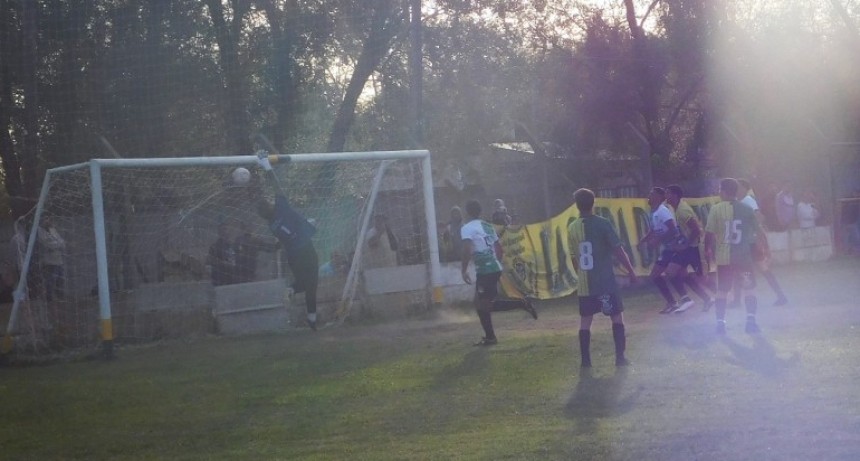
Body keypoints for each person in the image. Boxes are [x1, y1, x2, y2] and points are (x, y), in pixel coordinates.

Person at [568, 188, 637, 367]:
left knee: (585, 321)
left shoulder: (572, 227)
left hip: (585, 284)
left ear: (577, 205)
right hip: (605, 282)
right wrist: (630, 270)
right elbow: (618, 250)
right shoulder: (603, 223)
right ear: (594, 203)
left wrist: (580, 274)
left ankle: (585, 361)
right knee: (616, 316)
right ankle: (620, 358)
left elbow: (574, 258)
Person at [255, 152, 321, 330]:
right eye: (269, 202)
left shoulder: (272, 225)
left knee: (303, 283)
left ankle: (293, 292)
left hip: (293, 256)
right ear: (269, 206)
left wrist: (308, 224)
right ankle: (312, 319)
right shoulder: (281, 208)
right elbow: (276, 185)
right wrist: (266, 165)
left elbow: (289, 232)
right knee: (312, 284)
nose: (271, 201)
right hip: (305, 249)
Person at [461, 199, 536, 346]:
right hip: (493, 268)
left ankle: (521, 304)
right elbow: (499, 248)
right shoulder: (487, 226)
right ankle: (490, 337)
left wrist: (463, 270)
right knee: (480, 303)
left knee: (485, 305)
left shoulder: (467, 228)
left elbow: (466, 249)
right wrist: (496, 264)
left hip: (486, 270)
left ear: (467, 213)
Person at [705, 178, 760, 335]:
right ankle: (751, 321)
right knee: (749, 289)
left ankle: (720, 324)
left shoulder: (716, 209)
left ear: (723, 191)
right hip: (743, 257)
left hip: (724, 258)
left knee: (722, 291)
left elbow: (709, 234)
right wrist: (763, 248)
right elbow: (757, 230)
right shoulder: (746, 208)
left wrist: (707, 251)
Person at [638, 187, 693, 314]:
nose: (648, 196)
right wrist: (644, 240)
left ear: (658, 197)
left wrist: (657, 240)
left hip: (674, 247)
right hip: (667, 248)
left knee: (669, 273)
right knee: (657, 275)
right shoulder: (654, 211)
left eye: (651, 194)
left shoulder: (663, 211)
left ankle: (685, 299)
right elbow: (654, 230)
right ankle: (673, 303)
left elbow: (673, 229)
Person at [737, 179, 788, 306]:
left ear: (744, 188)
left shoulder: (748, 200)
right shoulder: (740, 201)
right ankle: (780, 295)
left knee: (756, 268)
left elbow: (758, 216)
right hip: (747, 240)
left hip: (750, 241)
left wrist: (755, 233)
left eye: (738, 186)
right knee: (746, 269)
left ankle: (780, 295)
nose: (736, 189)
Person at [664, 185, 714, 312]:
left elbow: (696, 230)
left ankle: (722, 295)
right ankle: (687, 299)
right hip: (687, 248)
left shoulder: (682, 210)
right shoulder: (675, 208)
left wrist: (685, 244)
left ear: (675, 196)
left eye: (668, 193)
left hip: (695, 247)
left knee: (703, 278)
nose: (666, 196)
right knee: (672, 272)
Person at [37, 215, 66, 302]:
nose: (48, 221)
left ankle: (60, 298)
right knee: (50, 281)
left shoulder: (53, 229)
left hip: (59, 260)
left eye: (48, 219)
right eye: (46, 219)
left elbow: (62, 242)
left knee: (60, 280)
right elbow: (47, 244)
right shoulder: (39, 231)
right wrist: (58, 244)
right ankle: (50, 299)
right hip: (49, 261)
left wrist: (58, 244)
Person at [208, 222, 238, 286]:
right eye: (223, 230)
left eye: (227, 229)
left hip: (234, 279)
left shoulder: (234, 245)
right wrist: (224, 263)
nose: (226, 232)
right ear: (219, 233)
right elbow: (211, 261)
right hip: (221, 280)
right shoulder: (214, 247)